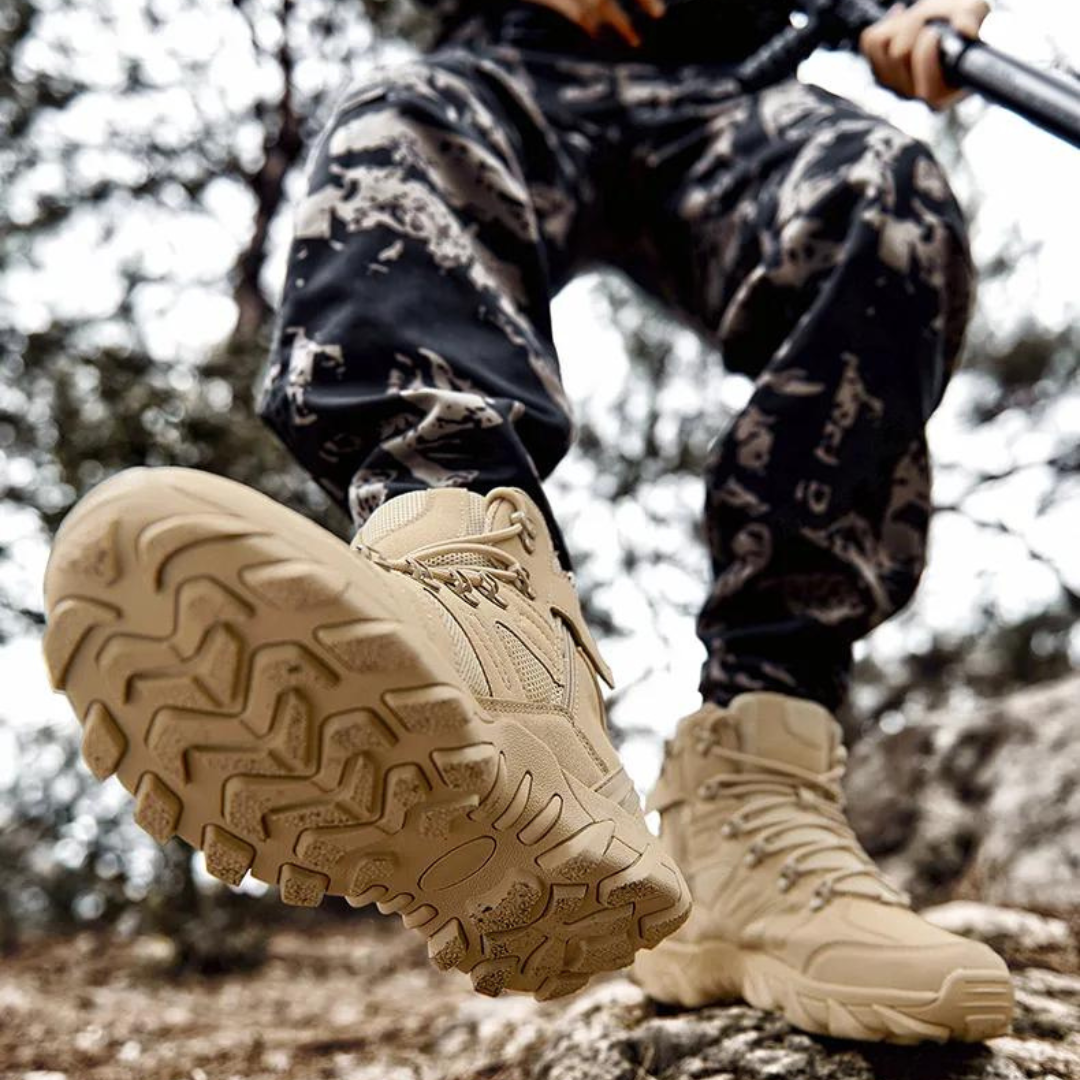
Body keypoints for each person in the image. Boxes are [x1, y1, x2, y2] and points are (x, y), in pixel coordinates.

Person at [42, 0, 1014, 1044]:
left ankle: (757, 808)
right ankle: (484, 633)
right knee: (402, 129)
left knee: (882, 191)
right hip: (517, 57)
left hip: (723, 74)